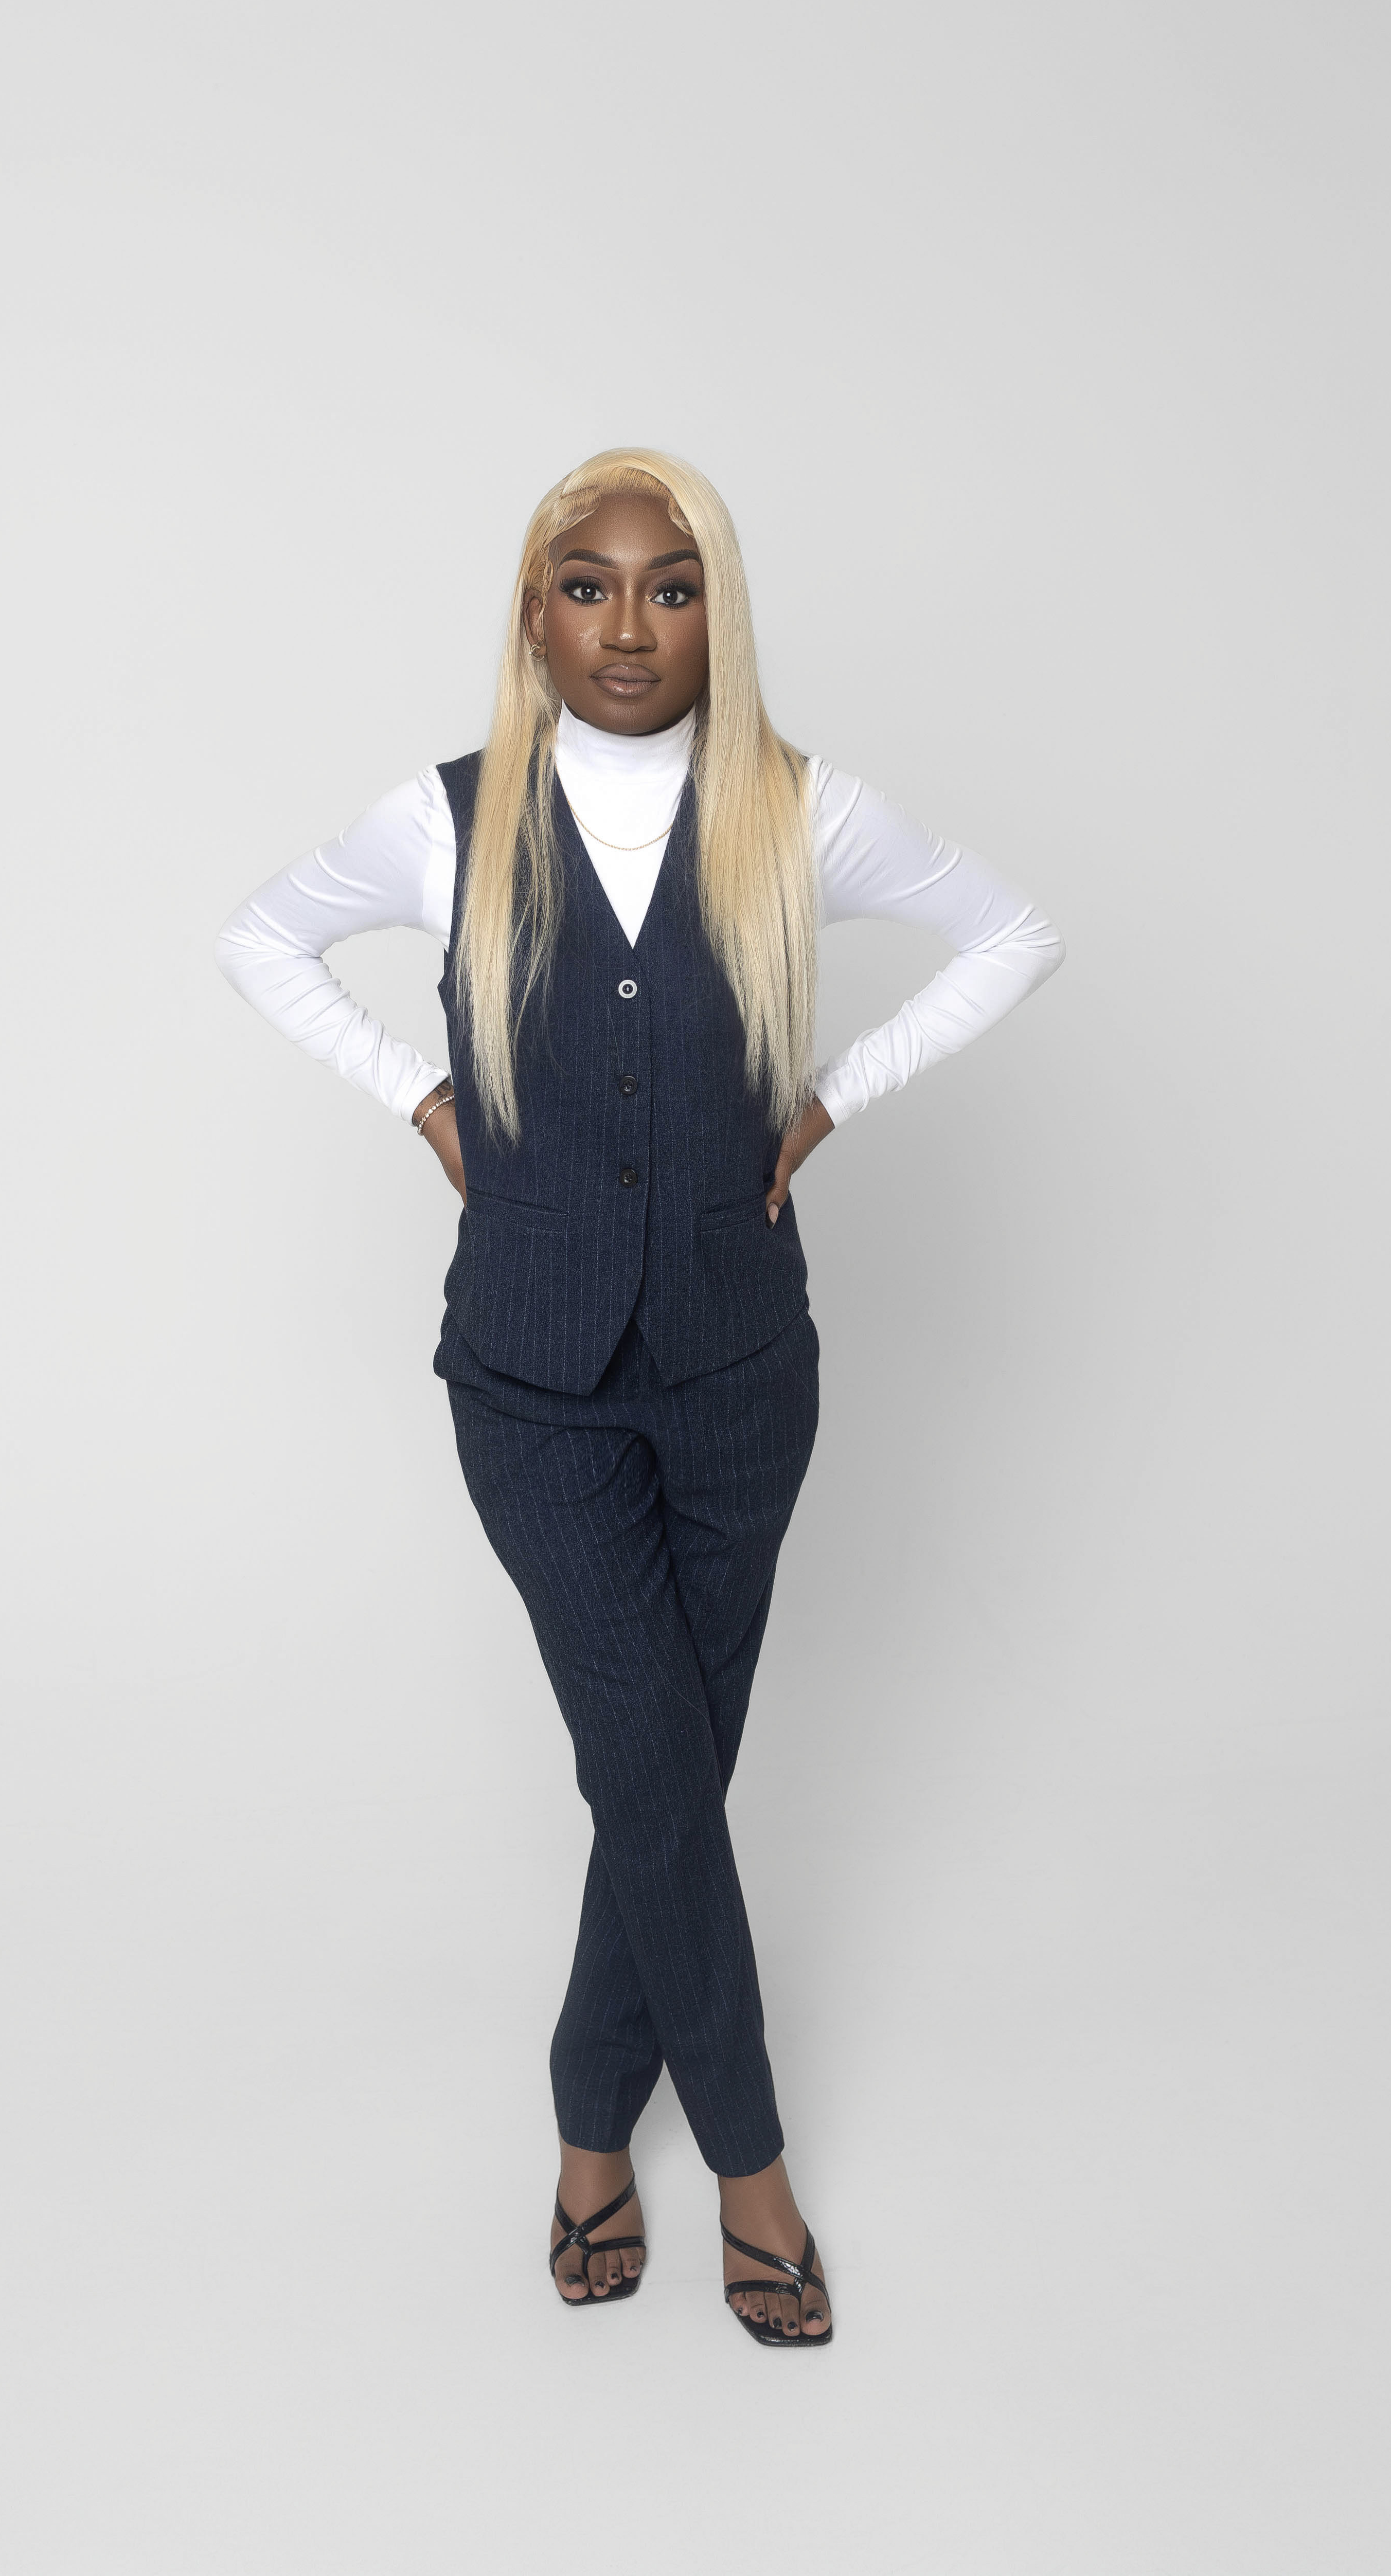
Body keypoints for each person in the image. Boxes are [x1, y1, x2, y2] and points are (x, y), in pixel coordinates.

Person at [217, 449, 1064, 2345]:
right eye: (587, 586)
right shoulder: (444, 822)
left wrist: (833, 1099)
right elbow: (258, 937)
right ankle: (751, 2168)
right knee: (657, 1763)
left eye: (670, 587)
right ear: (533, 614)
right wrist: (420, 1099)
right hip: (533, 1381)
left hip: (742, 1375)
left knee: (663, 1769)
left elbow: (1017, 934)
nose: (628, 625)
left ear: (715, 612)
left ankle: (593, 2127)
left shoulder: (797, 808)